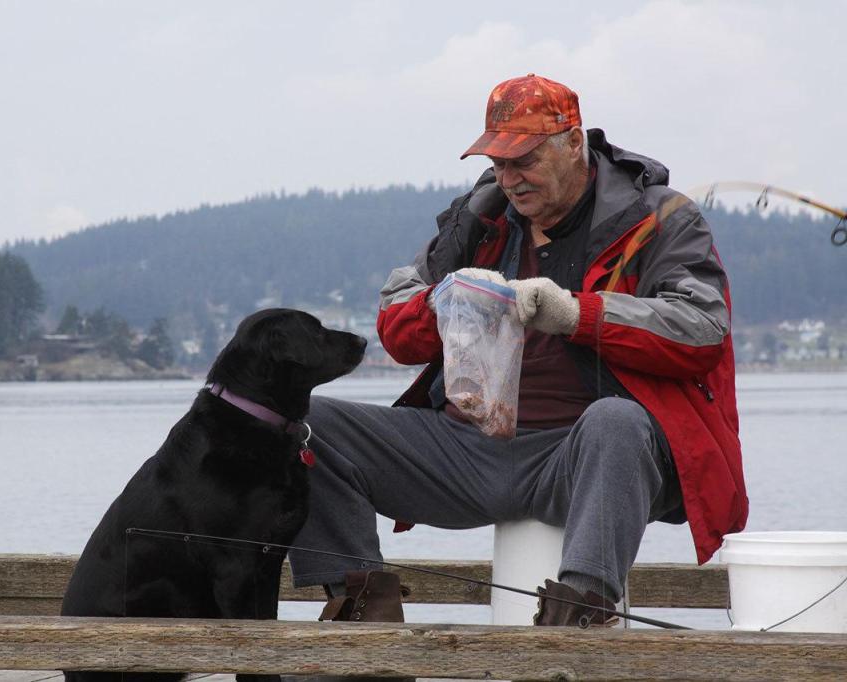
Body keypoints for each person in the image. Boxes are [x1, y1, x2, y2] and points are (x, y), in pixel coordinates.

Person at [288, 73, 747, 627]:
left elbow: (701, 329)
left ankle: (579, 618)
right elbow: (395, 323)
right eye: (499, 162)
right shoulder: (479, 216)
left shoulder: (663, 218)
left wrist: (576, 314)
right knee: (302, 419)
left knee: (616, 421)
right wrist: (446, 305)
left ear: (574, 143)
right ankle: (362, 615)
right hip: (463, 448)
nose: (509, 178)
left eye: (524, 160)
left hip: (581, 456)